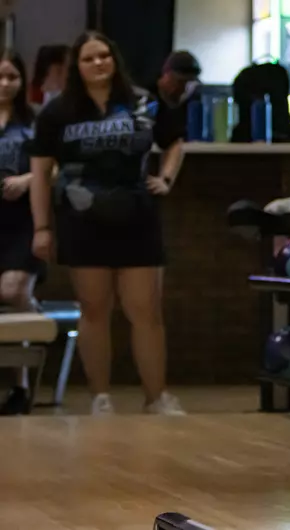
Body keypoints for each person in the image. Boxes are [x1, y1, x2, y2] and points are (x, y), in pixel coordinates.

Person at [29, 31, 187, 416]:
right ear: (76, 67)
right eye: (88, 59)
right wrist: (41, 227)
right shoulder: (58, 112)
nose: (98, 63)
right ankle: (101, 397)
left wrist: (165, 177)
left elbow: (175, 142)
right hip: (82, 219)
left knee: (145, 310)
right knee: (94, 309)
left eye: (104, 56)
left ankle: (156, 397)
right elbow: (40, 171)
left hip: (137, 215)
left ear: (114, 59)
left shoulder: (143, 102)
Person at [0, 49, 41, 415]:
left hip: (22, 221)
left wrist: (29, 179)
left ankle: (20, 385)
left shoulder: (35, 122)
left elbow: (57, 165)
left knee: (11, 291)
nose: (5, 84)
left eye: (12, 76)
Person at [146, 50, 202, 142]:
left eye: (188, 83)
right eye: (180, 82)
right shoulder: (146, 99)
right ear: (166, 75)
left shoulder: (191, 103)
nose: (183, 88)